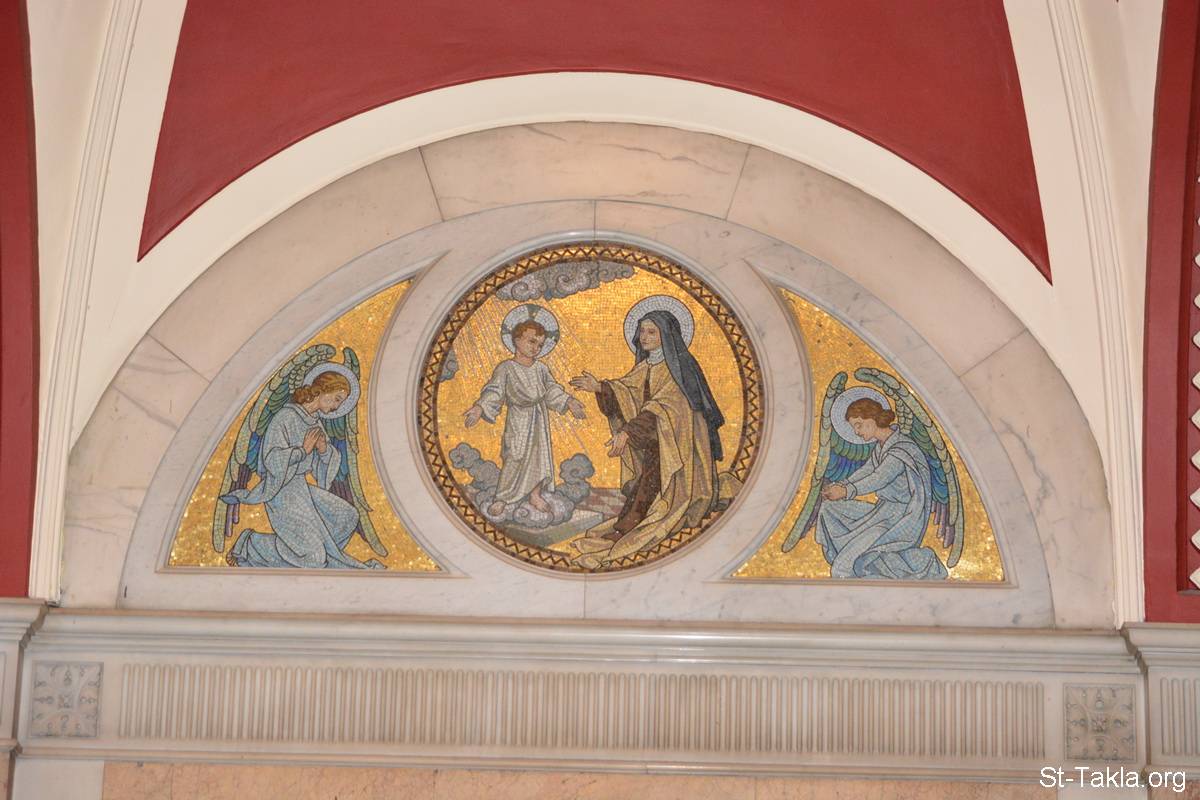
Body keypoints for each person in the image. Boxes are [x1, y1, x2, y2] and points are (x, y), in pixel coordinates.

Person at [569, 310, 723, 566]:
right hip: (657, 440)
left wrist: (628, 432)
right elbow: (627, 390)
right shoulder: (648, 364)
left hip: (680, 445)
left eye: (652, 332)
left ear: (666, 335)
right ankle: (626, 526)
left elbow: (662, 407)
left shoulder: (679, 368)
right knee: (647, 482)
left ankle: (626, 529)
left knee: (653, 484)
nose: (644, 337)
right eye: (642, 331)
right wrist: (600, 388)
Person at [225, 371, 384, 569]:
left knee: (347, 516)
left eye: (340, 403)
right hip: (280, 490)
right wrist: (302, 451)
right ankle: (251, 544)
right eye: (337, 399)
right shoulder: (285, 417)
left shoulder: (314, 422)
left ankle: (311, 552)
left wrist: (324, 450)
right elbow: (272, 461)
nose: (336, 407)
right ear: (322, 391)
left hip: (301, 488)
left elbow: (323, 468)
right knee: (314, 558)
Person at [816, 397, 947, 580]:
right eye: (854, 427)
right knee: (829, 508)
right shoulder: (882, 446)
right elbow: (866, 471)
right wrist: (842, 485)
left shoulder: (901, 449)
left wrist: (846, 491)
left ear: (872, 420)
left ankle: (923, 562)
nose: (856, 432)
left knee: (844, 566)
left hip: (900, 519)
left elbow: (879, 478)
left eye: (859, 425)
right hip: (882, 512)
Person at [464, 319, 586, 516]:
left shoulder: (541, 369)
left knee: (539, 456)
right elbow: (495, 391)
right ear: (516, 340)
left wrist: (569, 401)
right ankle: (502, 497)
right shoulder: (506, 368)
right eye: (531, 341)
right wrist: (480, 407)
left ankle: (535, 495)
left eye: (540, 344)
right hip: (518, 418)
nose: (536, 348)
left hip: (538, 418)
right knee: (514, 455)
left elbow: (551, 390)